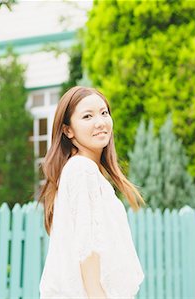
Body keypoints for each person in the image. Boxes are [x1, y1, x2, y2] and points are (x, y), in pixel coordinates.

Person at [38, 86, 145, 299]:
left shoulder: (85, 171)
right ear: (68, 130)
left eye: (104, 113)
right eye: (87, 116)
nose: (100, 122)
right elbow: (88, 248)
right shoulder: (81, 170)